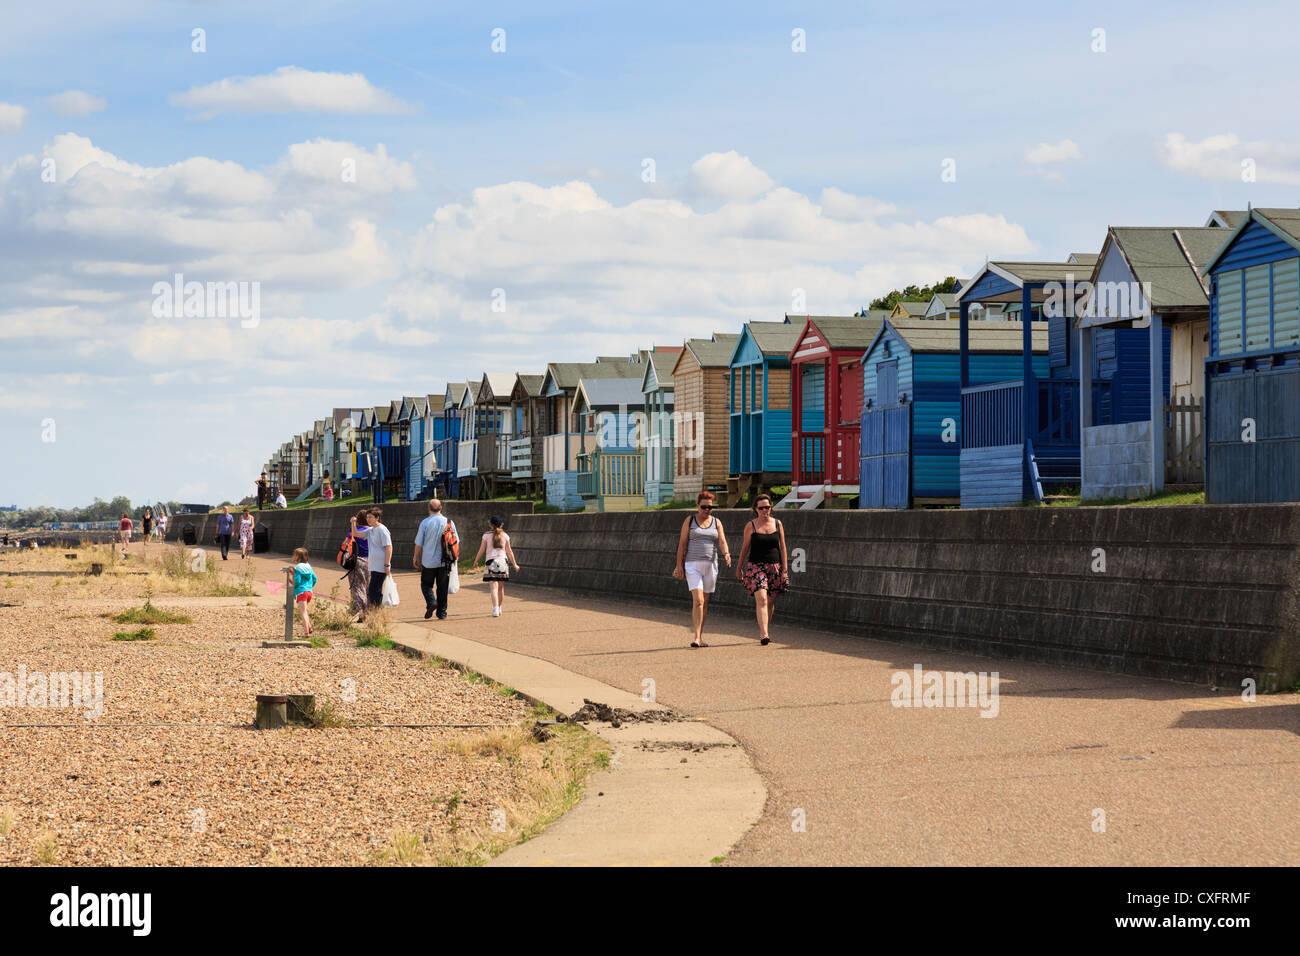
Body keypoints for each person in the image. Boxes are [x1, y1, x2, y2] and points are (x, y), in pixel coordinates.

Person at [672, 491, 731, 648]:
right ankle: (696, 637)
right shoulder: (690, 521)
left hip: (710, 565)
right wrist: (679, 565)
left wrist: (726, 553)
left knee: (705, 603)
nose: (707, 510)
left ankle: (700, 634)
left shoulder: (716, 522)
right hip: (692, 564)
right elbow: (682, 544)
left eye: (710, 507)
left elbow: (722, 541)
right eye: (704, 507)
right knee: (698, 601)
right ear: (697, 506)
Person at [735, 493, 789, 646]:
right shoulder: (751, 526)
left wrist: (785, 570)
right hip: (756, 567)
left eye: (767, 507)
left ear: (771, 507)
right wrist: (739, 568)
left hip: (775, 566)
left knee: (770, 601)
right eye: (761, 508)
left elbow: (783, 547)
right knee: (762, 599)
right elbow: (745, 548)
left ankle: (765, 628)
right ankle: (764, 634)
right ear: (755, 509)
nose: (765, 510)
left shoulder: (778, 524)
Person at [413, 499, 455, 620]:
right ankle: (442, 613)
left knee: (426, 585)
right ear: (441, 508)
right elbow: (455, 541)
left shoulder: (425, 523)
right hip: (444, 561)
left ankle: (431, 602)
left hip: (428, 561)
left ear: (429, 509)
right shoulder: (449, 522)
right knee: (442, 587)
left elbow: (419, 543)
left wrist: (415, 556)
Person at [471, 515, 520, 618]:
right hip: (503, 561)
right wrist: (514, 564)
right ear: (501, 524)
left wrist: (476, 561)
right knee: (500, 588)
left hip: (491, 561)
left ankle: (495, 609)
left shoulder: (486, 535)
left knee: (493, 587)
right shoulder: (505, 535)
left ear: (490, 524)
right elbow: (509, 551)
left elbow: (482, 550)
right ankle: (500, 607)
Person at [353, 508, 392, 610]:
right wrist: (353, 523)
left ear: (377, 518)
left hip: (381, 565)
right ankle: (379, 610)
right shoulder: (371, 530)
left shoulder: (382, 530)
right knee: (373, 590)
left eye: (370, 517)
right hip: (373, 565)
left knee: (374, 590)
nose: (368, 519)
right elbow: (356, 534)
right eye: (367, 517)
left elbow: (389, 547)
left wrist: (387, 564)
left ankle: (380, 610)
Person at [345, 508, 371, 622]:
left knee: (356, 586)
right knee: (368, 587)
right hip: (371, 561)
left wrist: (352, 523)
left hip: (357, 561)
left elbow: (346, 543)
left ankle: (358, 610)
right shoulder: (372, 530)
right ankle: (366, 613)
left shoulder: (354, 530)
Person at [291, 547, 317, 638]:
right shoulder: (308, 566)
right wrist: (309, 587)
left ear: (298, 557)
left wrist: (292, 587)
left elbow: (297, 580)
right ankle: (309, 627)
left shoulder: (297, 568)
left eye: (295, 555)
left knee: (303, 612)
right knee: (305, 610)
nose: (293, 556)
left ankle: (306, 633)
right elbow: (314, 578)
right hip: (309, 592)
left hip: (301, 592)